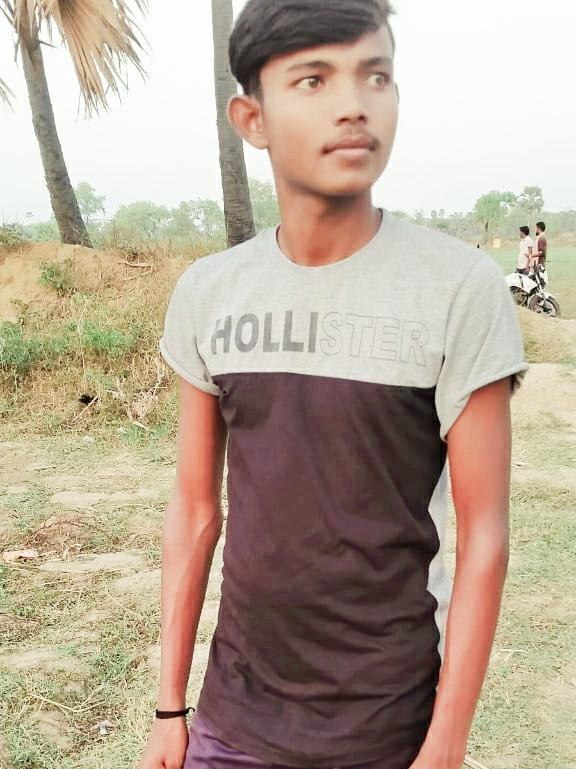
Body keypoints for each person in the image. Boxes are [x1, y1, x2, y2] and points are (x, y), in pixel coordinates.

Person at [139, 2, 528, 768]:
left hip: (387, 726)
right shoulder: (211, 292)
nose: (354, 104)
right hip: (232, 720)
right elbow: (193, 509)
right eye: (314, 80)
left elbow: (484, 534)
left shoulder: (458, 289)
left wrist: (446, 744)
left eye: (375, 75)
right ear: (252, 118)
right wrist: (169, 708)